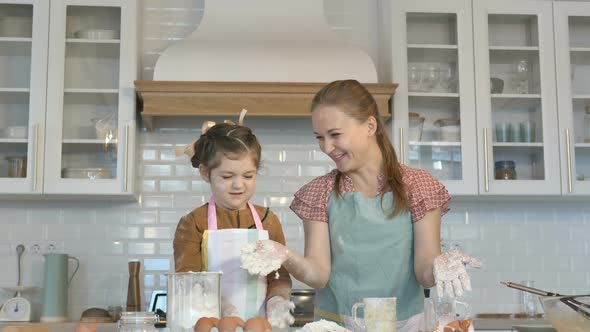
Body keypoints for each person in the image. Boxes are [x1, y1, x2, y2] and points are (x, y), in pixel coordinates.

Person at [246, 80, 481, 332]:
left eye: (335, 135)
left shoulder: (418, 186)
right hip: (336, 325)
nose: (326, 148)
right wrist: (285, 255)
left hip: (403, 326)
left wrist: (438, 266)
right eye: (320, 137)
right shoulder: (319, 193)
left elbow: (424, 272)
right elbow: (319, 274)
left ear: (370, 126)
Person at [172, 113, 294, 328]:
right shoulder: (193, 223)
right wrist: (223, 307)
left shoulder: (268, 220)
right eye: (227, 177)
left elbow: (278, 275)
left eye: (248, 176)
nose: (239, 185)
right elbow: (188, 281)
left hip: (260, 324)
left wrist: (278, 300)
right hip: (212, 324)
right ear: (205, 173)